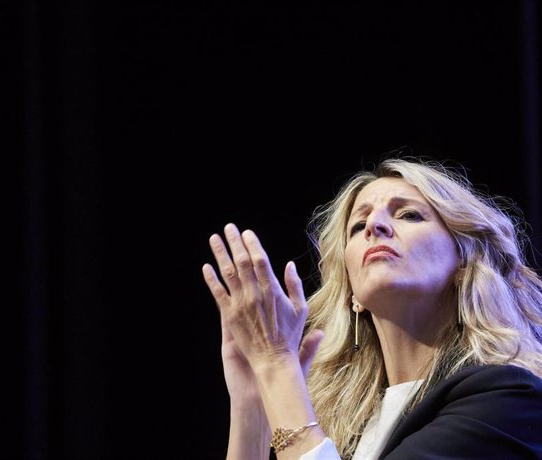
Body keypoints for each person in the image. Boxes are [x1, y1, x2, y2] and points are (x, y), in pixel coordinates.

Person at [202, 154, 542, 459]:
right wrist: (253, 407)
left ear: (464, 264)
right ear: (352, 291)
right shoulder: (338, 429)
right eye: (359, 225)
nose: (375, 227)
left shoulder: (508, 398)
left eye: (409, 215)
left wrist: (277, 366)